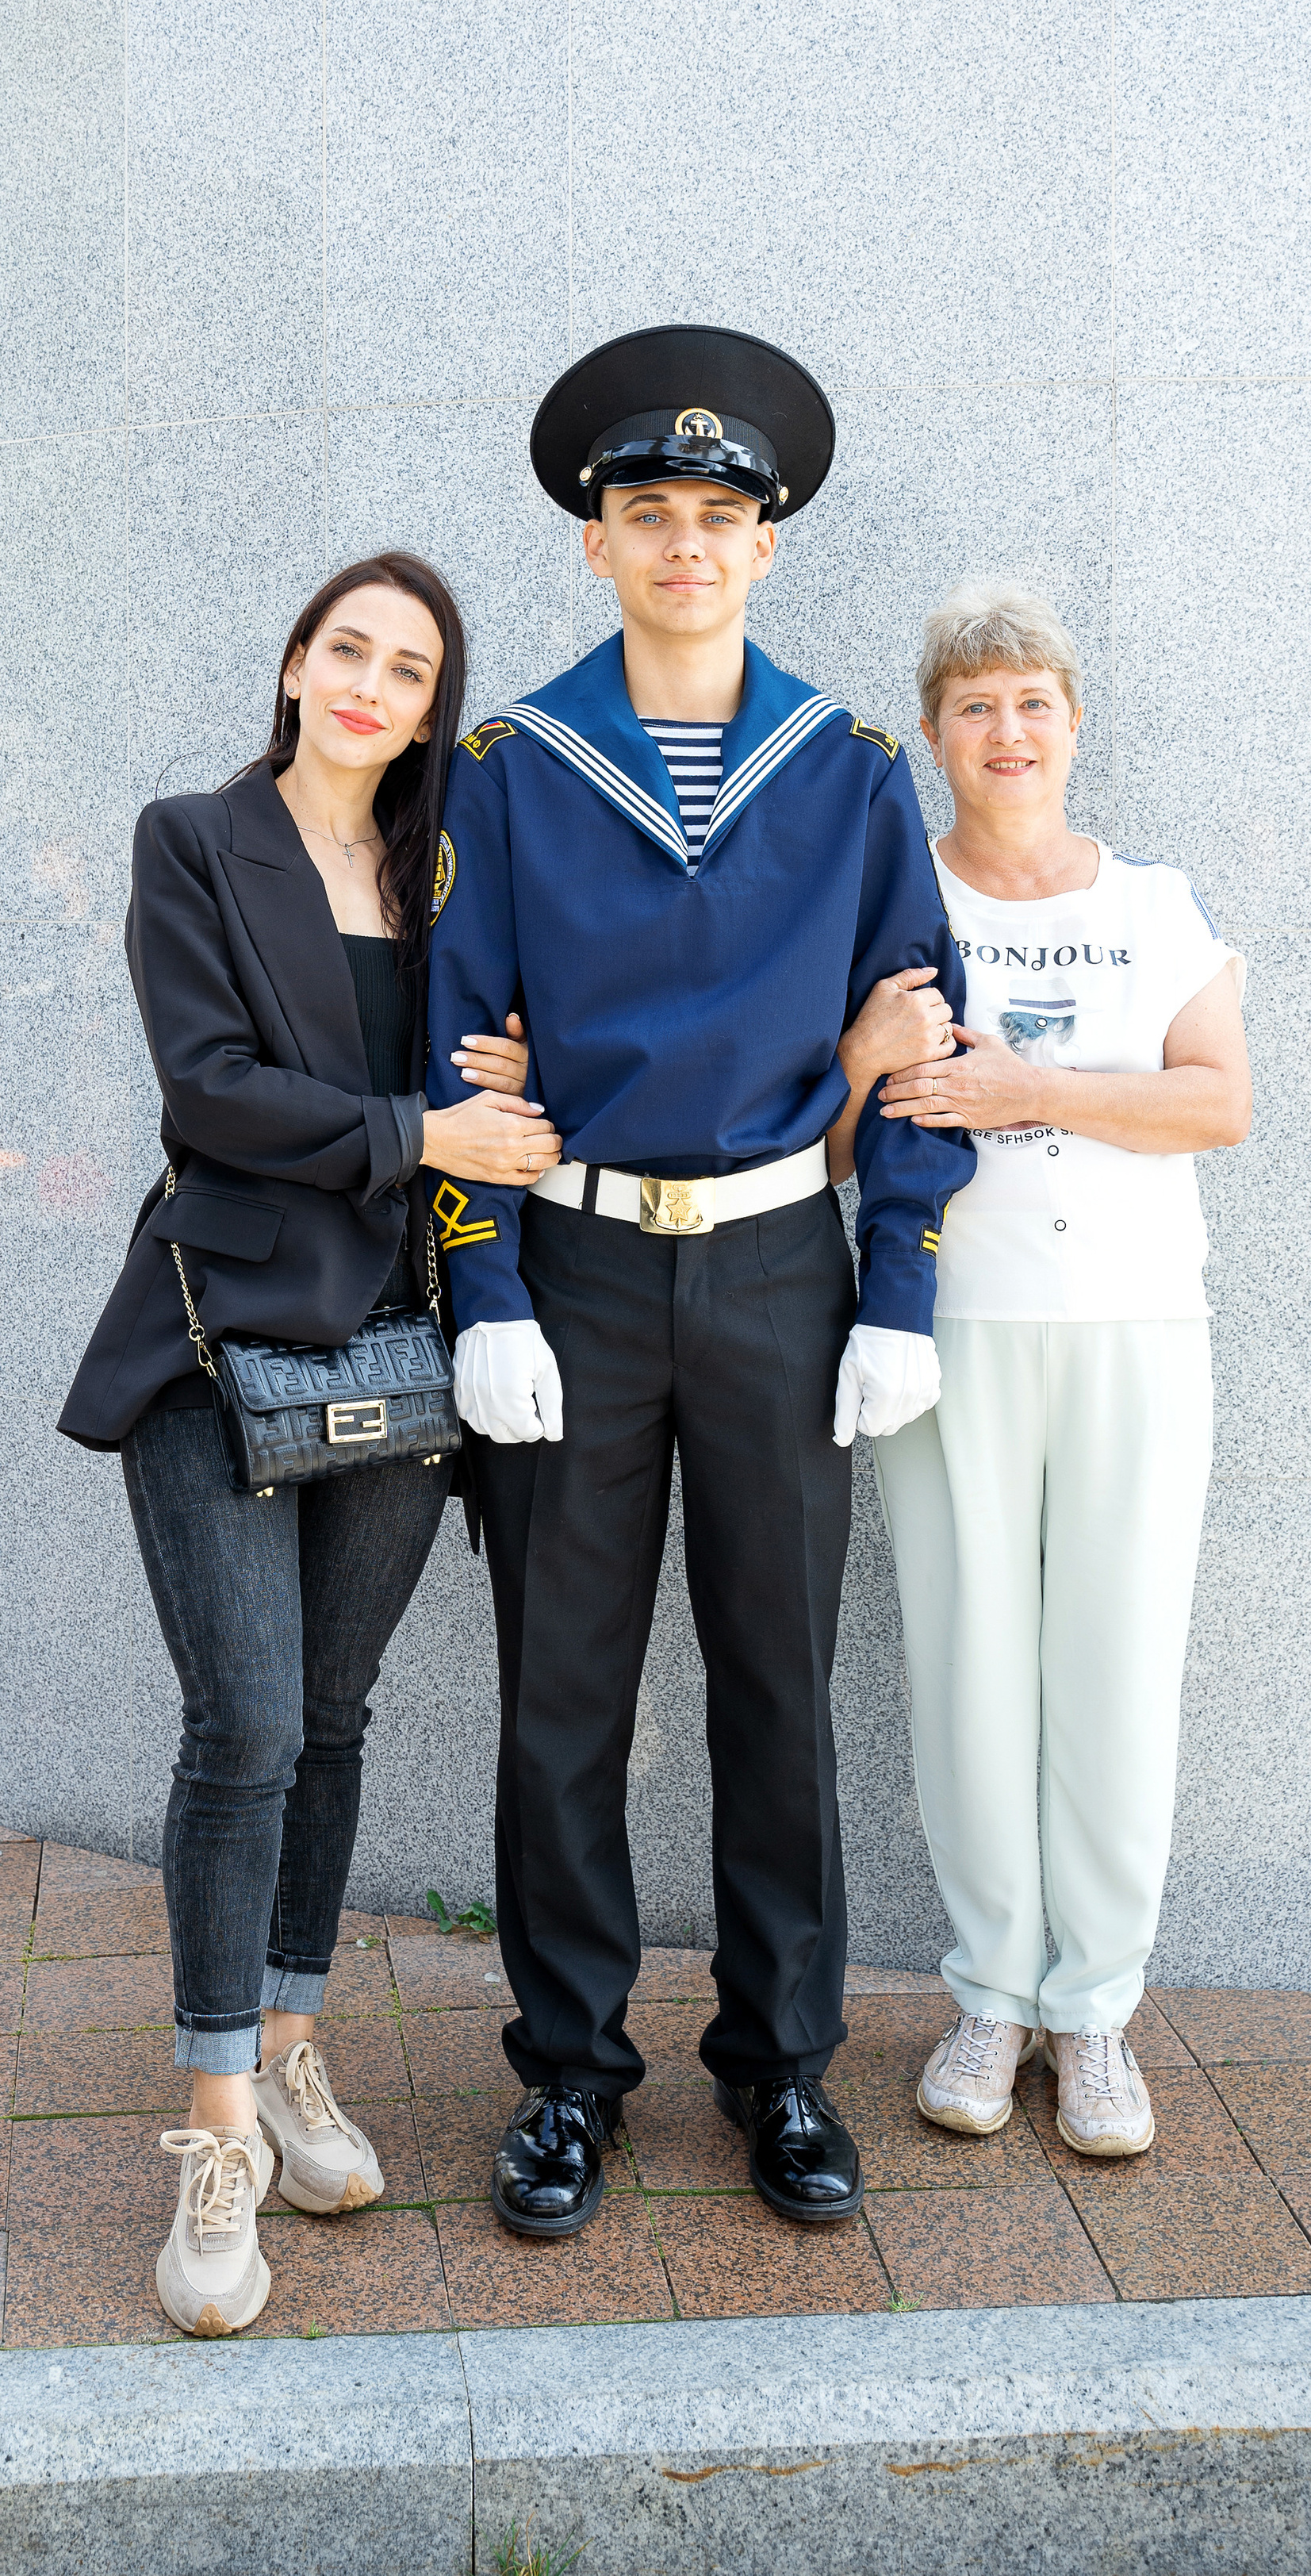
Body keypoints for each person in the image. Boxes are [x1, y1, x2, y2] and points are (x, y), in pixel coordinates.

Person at [424, 327, 973, 2241]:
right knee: (554, 1698)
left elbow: (913, 1033)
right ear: (592, 545)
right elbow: (456, 1035)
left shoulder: (846, 772)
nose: (682, 544)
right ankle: (568, 2072)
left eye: (717, 516)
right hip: (568, 1267)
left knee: (776, 1691)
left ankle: (780, 2067)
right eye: (646, 514)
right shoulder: (508, 769)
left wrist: (895, 1281)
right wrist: (481, 1291)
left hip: (769, 1269)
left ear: (766, 541)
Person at [59, 552, 553, 2338]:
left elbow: (504, 1074)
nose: (369, 683)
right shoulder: (193, 841)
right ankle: (208, 2137)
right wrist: (428, 1126)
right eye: (346, 648)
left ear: (433, 707)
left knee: (331, 1717)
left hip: (401, 1359)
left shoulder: (442, 881)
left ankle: (285, 2049)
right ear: (290, 664)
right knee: (246, 1722)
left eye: (408, 667)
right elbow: (210, 1092)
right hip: (220, 1342)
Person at [861, 581, 1252, 2159]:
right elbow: (844, 1120)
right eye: (973, 706)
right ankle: (987, 1993)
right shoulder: (898, 912)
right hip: (950, 1333)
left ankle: (1092, 2014)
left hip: (1135, 1329)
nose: (1004, 731)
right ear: (933, 737)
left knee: (1111, 1666)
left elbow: (1214, 1101)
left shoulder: (1152, 904)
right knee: (967, 1671)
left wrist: (1032, 1085)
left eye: (1029, 702)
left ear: (1072, 723)